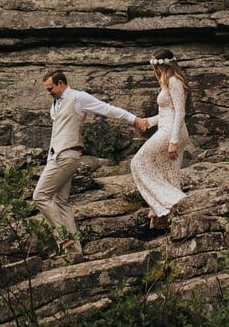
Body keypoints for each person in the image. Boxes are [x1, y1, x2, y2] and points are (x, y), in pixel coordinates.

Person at [36, 69, 147, 261]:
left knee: (40, 196)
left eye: (51, 88)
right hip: (56, 156)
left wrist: (133, 119)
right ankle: (74, 252)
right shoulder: (55, 103)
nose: (49, 92)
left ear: (61, 83)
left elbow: (106, 109)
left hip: (67, 155)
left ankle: (63, 238)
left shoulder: (78, 98)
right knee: (61, 201)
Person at [130, 48, 190, 230]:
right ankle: (169, 215)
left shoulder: (174, 81)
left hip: (172, 131)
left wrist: (173, 141)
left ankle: (172, 200)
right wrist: (147, 122)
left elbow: (180, 112)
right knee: (169, 172)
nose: (153, 70)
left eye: (154, 64)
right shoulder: (167, 83)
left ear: (163, 65)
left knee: (138, 162)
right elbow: (165, 113)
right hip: (168, 127)